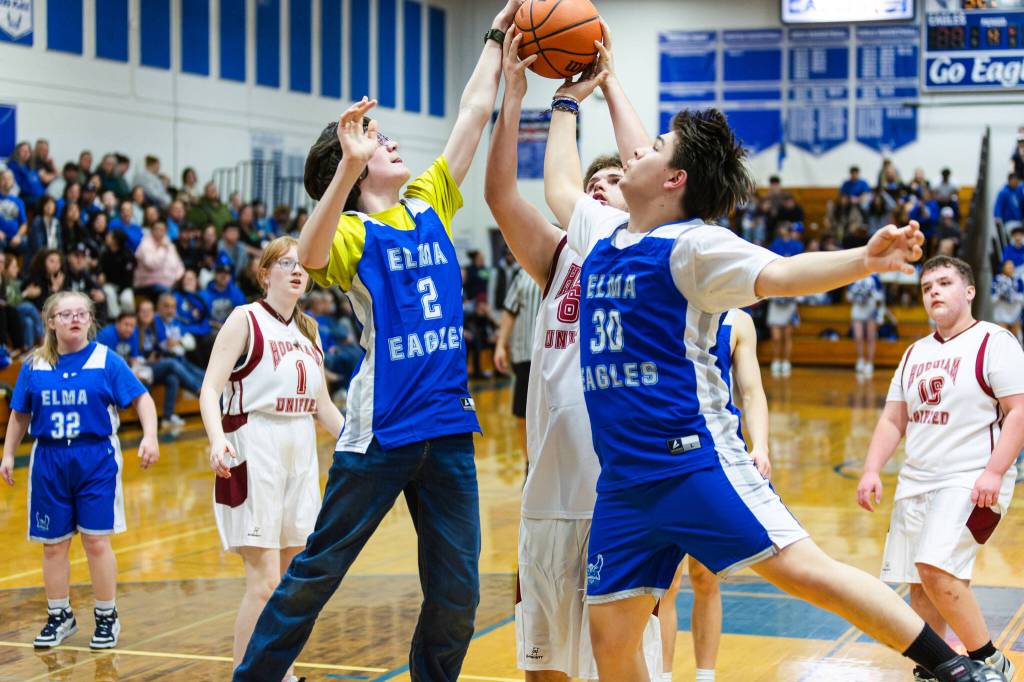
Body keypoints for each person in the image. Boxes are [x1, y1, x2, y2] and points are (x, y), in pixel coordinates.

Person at [541, 31, 1004, 682]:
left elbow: (784, 274)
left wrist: (862, 260)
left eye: (654, 150)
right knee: (612, 643)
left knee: (807, 571)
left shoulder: (693, 248)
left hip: (691, 463)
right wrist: (579, 95)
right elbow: (559, 179)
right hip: (624, 482)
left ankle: (955, 668)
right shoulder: (604, 233)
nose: (636, 152)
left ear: (672, 179)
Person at [234, 3, 521, 680]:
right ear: (356, 173)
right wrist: (345, 168)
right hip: (383, 430)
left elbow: (472, 113)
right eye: (375, 143)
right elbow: (308, 252)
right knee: (317, 573)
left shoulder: (428, 201)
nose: (390, 143)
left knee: (459, 595)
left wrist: (497, 41)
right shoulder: (357, 234)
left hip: (448, 424)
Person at [484, 33, 662, 681]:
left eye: (616, 179)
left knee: (619, 665)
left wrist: (605, 87)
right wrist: (516, 98)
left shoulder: (657, 251)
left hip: (626, 495)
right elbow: (502, 196)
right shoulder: (559, 256)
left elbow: (645, 155)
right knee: (544, 668)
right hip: (551, 495)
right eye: (593, 180)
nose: (602, 186)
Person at [857, 256, 1023, 682]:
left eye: (945, 282)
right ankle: (935, 668)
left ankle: (988, 660)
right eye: (927, 285)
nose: (934, 291)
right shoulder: (916, 352)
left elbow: (1019, 411)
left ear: (968, 291)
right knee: (919, 582)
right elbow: (894, 419)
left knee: (935, 567)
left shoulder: (995, 341)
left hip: (970, 476)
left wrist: (995, 471)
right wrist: (872, 469)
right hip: (917, 478)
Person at [201, 237, 343, 681]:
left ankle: (283, 673)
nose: (297, 271)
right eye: (286, 263)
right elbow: (209, 388)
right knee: (262, 584)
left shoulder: (310, 331)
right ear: (265, 274)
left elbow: (322, 406)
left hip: (299, 446)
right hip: (253, 441)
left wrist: (363, 446)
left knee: (289, 588)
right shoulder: (245, 319)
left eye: (302, 265)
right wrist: (216, 439)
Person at [0, 291, 160, 650]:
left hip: (95, 457)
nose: (74, 318)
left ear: (90, 321)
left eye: (81, 314)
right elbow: (20, 414)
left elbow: (143, 399)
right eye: (65, 313)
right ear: (51, 322)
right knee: (53, 546)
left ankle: (106, 616)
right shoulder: (34, 366)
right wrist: (8, 454)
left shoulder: (106, 361)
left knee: (96, 541)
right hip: (49, 459)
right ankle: (60, 615)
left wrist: (150, 436)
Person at [656, 308, 770, 682]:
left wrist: (761, 446)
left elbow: (751, 391)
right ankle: (663, 675)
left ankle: (706, 676)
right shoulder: (665, 304)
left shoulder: (737, 321)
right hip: (665, 452)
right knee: (667, 581)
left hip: (717, 453)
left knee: (706, 576)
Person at [493, 268, 541, 467]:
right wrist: (500, 345)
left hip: (558, 356)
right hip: (525, 355)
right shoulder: (524, 272)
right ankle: (529, 464)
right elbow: (510, 310)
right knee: (522, 416)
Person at [847, 274, 886, 378]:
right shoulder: (854, 275)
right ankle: (860, 360)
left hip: (870, 310)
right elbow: (848, 295)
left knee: (870, 337)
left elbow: (881, 296)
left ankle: (870, 363)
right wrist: (857, 295)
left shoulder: (874, 277)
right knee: (858, 336)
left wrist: (880, 314)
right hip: (858, 310)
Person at [991, 259, 1023, 343]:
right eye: (1008, 266)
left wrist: (1012, 296)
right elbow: (992, 299)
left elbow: (1022, 298)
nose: (1010, 268)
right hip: (1001, 313)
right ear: (1003, 268)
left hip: (1015, 312)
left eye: (1012, 267)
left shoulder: (1018, 281)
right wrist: (1001, 295)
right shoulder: (996, 280)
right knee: (1003, 337)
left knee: (1016, 339)